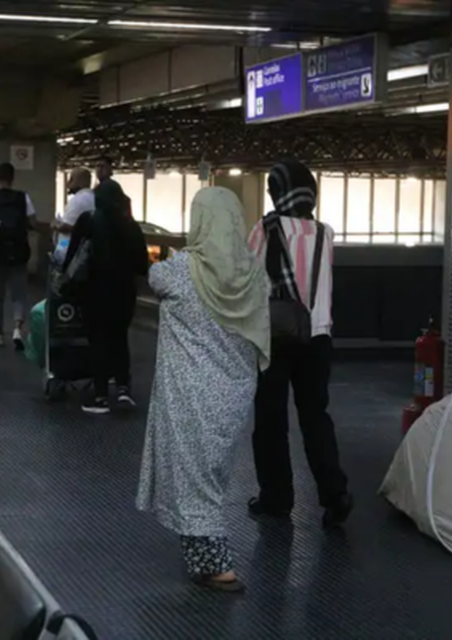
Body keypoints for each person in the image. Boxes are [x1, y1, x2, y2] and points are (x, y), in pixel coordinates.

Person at [136, 186, 270, 592]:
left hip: (193, 395)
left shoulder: (179, 272)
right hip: (232, 395)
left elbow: (152, 275)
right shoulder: (254, 275)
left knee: (197, 481)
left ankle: (218, 566)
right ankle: (201, 558)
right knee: (210, 475)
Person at [247, 158, 354, 528]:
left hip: (276, 337)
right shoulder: (326, 232)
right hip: (319, 337)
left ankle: (276, 498)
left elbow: (251, 278)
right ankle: (334, 492)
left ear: (277, 192)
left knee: (271, 419)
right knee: (315, 416)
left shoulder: (265, 229)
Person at [65, 179, 148, 414]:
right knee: (120, 339)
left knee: (98, 341)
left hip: (93, 292)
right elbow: (142, 264)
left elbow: (73, 255)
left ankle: (101, 395)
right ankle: (123, 389)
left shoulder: (89, 220)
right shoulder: (130, 225)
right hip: (123, 293)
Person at [0, 162, 36, 350]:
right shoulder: (23, 198)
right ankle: (17, 329)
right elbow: (33, 221)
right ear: (13, 178)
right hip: (18, 253)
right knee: (18, 294)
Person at [52, 167, 93, 264]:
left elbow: (67, 227)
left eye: (72, 179)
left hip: (68, 249)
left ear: (81, 181)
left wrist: (55, 225)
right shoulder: (93, 197)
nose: (68, 184)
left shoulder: (78, 200)